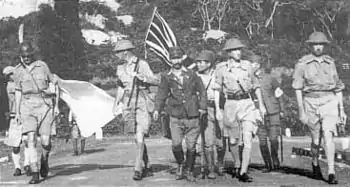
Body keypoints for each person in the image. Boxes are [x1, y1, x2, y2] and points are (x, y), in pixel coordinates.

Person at [292, 31, 346, 185]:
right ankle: (315, 163)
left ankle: (331, 172)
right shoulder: (302, 64)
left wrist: (342, 110)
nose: (318, 47)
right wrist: (301, 111)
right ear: (310, 46)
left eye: (321, 44)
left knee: (329, 135)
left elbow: (338, 87)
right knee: (316, 141)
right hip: (311, 102)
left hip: (329, 101)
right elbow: (297, 88)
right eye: (315, 44)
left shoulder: (331, 63)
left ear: (325, 46)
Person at [213, 38, 266, 182]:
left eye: (239, 49)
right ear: (228, 52)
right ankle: (237, 164)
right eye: (235, 50)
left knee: (248, 138)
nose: (238, 52)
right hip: (230, 105)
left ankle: (243, 171)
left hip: (247, 103)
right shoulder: (221, 68)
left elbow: (256, 86)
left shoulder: (248, 65)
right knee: (233, 141)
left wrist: (260, 105)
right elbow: (217, 89)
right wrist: (218, 109)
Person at [153, 46, 207, 181]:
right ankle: (180, 164)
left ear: (182, 58)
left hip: (192, 114)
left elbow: (202, 91)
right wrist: (156, 109)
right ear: (170, 60)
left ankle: (189, 170)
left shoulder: (192, 74)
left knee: (191, 145)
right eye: (173, 58)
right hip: (175, 115)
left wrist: (202, 107)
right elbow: (161, 94)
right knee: (176, 144)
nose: (175, 60)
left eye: (178, 57)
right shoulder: (166, 76)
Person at [112, 40, 159, 181]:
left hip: (142, 101)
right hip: (128, 103)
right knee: (136, 137)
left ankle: (137, 168)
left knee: (140, 135)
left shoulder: (141, 64)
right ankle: (148, 165)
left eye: (118, 52)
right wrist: (116, 103)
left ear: (125, 52)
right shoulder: (120, 67)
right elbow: (121, 87)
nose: (116, 55)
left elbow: (155, 80)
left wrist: (142, 77)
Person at [14, 42, 59, 184]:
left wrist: (56, 105)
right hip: (27, 106)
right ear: (20, 56)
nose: (26, 58)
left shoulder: (42, 66)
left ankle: (44, 160)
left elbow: (54, 83)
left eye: (28, 56)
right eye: (24, 56)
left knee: (45, 142)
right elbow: (17, 91)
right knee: (31, 138)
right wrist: (17, 112)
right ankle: (35, 172)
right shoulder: (17, 70)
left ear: (32, 54)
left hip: (44, 105)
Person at [256, 63, 286, 172]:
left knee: (273, 139)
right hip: (258, 114)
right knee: (262, 141)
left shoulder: (271, 79)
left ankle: (275, 161)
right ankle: (267, 164)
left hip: (273, 112)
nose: (255, 68)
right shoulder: (249, 79)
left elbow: (279, 95)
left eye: (257, 65)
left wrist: (282, 110)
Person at [195, 50, 220, 179]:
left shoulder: (216, 75)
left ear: (209, 63)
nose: (198, 64)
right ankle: (202, 167)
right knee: (197, 139)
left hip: (211, 108)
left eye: (202, 62)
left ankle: (212, 168)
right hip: (196, 109)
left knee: (210, 139)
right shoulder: (194, 75)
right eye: (197, 62)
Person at [3, 65, 31, 176]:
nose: (11, 76)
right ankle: (17, 167)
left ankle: (27, 164)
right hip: (15, 116)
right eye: (9, 75)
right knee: (16, 145)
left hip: (25, 114)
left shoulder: (21, 83)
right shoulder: (10, 86)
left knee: (27, 141)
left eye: (12, 74)